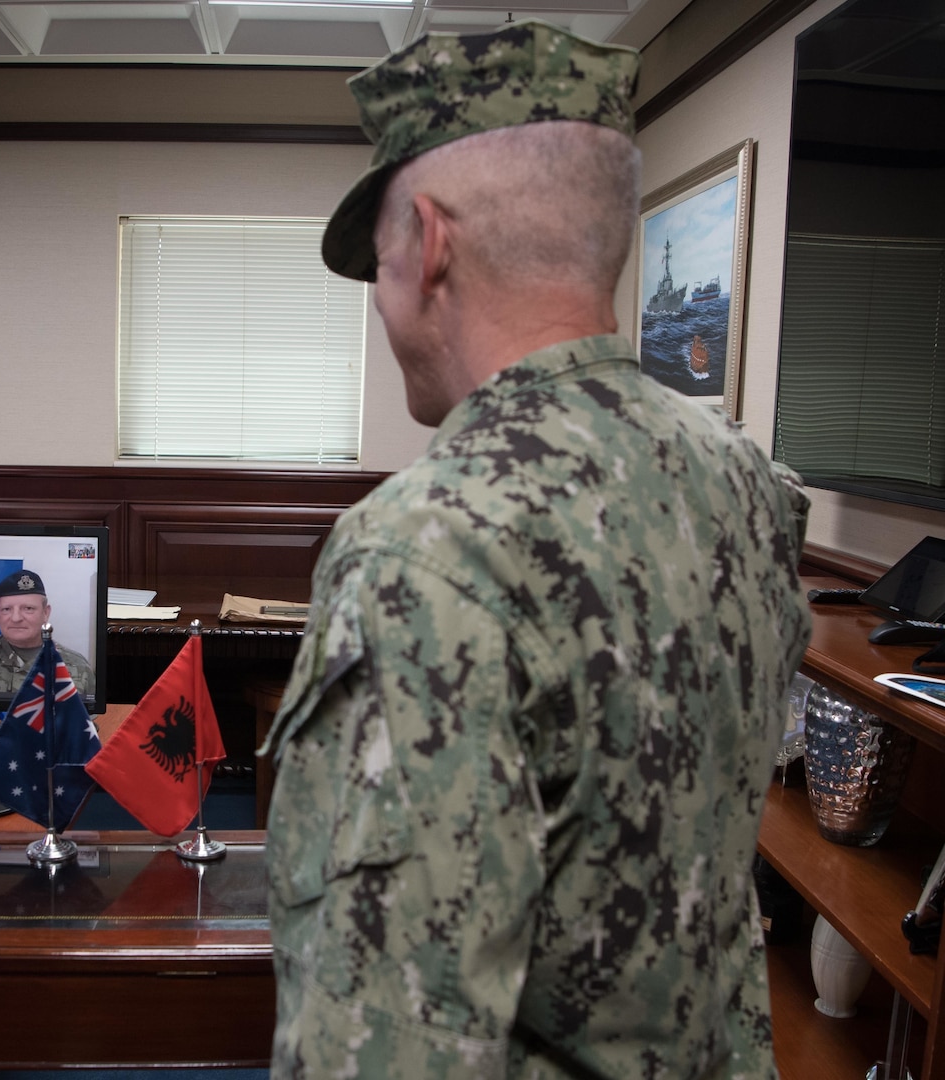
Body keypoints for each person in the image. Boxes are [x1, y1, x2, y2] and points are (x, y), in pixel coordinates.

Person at [261, 20, 813, 1079]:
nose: (380, 305)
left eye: (375, 268)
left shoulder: (424, 550)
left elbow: (385, 1049)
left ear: (427, 244)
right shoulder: (743, 477)